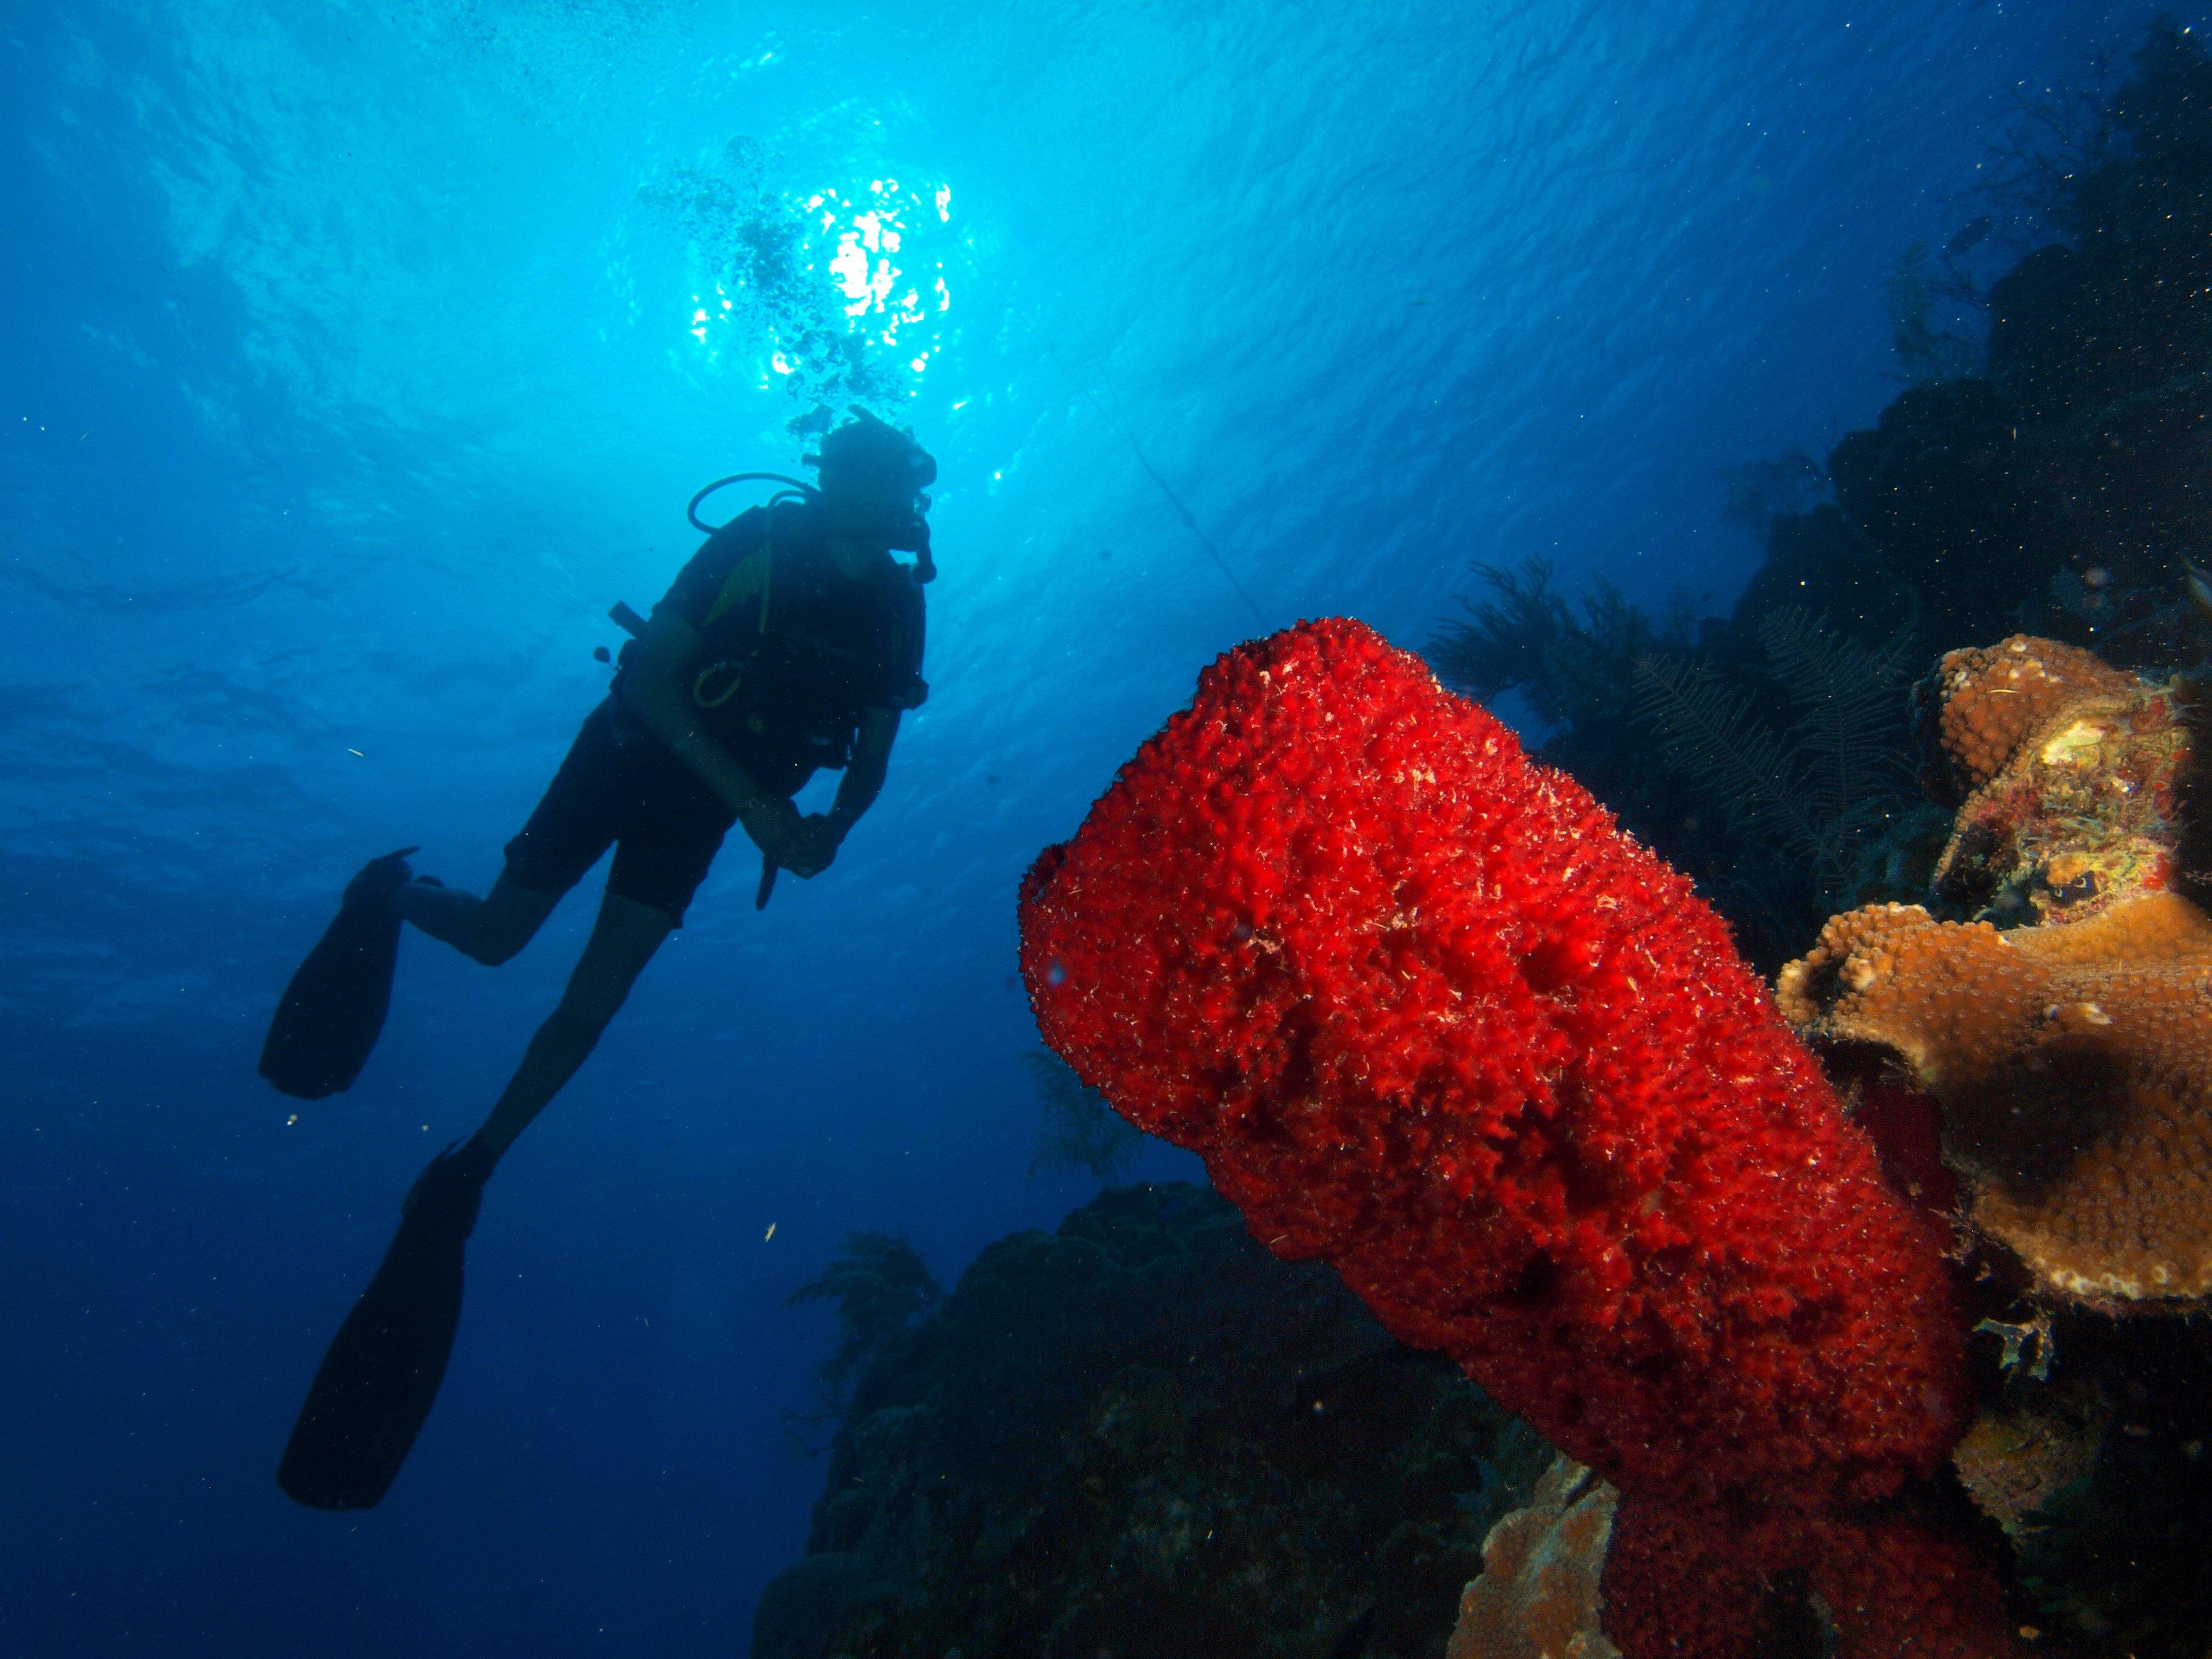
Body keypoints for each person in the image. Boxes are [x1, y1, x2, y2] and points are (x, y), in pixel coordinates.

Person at [269, 409, 936, 1509]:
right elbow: (651, 683)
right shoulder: (754, 546)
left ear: (904, 494)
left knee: (596, 1000)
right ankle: (390, 893)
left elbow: (872, 752)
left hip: (712, 809)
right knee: (498, 940)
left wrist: (833, 831)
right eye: (850, 475)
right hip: (631, 756)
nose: (868, 499)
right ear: (827, 478)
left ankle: (474, 1163)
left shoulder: (898, 608)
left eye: (886, 483)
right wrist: (760, 805)